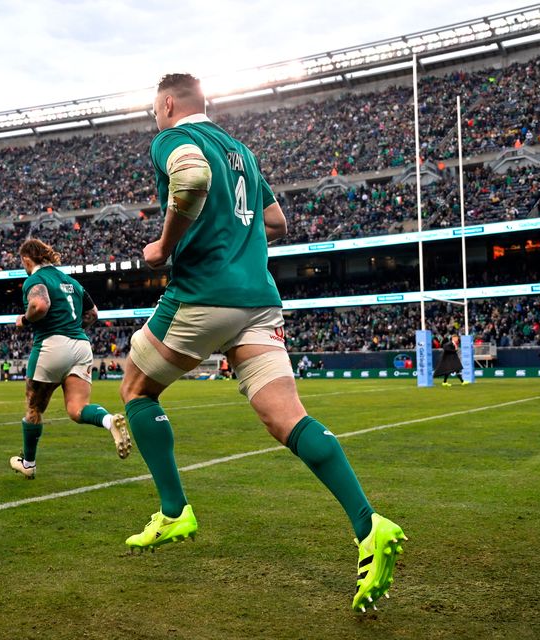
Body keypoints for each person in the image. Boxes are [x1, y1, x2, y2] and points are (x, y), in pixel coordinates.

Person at [118, 74, 404, 612]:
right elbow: (276, 221)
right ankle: (369, 525)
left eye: (155, 109)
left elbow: (192, 179)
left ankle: (175, 511)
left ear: (167, 103)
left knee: (136, 389)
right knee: (286, 418)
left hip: (203, 294)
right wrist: (236, 233)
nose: (155, 117)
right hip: (259, 298)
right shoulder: (241, 151)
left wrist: (163, 245)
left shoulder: (174, 139)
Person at [10, 238, 132, 479]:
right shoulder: (72, 282)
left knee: (34, 408)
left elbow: (40, 305)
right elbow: (93, 314)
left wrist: (23, 320)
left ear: (27, 258)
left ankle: (29, 463)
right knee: (77, 409)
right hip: (81, 345)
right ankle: (109, 421)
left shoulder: (35, 279)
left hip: (51, 345)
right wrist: (73, 327)